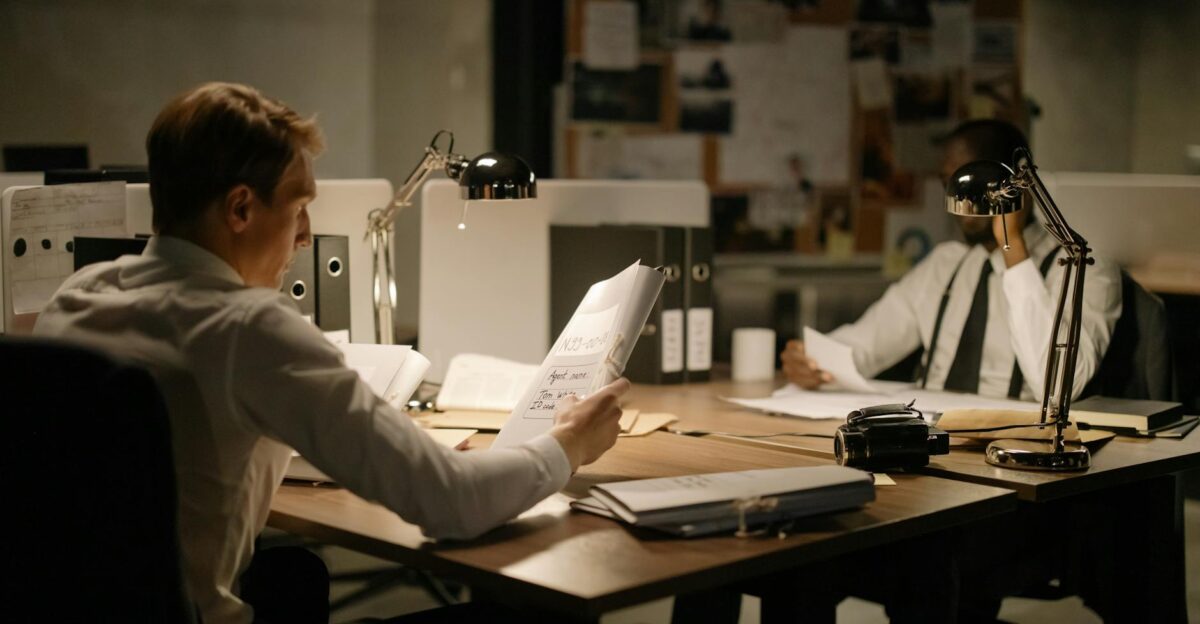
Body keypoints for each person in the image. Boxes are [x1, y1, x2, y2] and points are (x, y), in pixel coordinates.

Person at [33, 82, 629, 624]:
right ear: (241, 209)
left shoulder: (79, 296)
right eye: (297, 207)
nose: (305, 235)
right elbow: (453, 501)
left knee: (293, 575)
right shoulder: (249, 328)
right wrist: (569, 443)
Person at [782, 119, 1122, 402]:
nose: (961, 199)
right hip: (928, 439)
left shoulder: (1082, 269)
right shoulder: (946, 263)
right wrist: (811, 361)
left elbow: (1059, 388)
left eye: (973, 183)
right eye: (950, 183)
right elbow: (867, 344)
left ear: (1017, 183)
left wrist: (1012, 249)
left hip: (1014, 445)